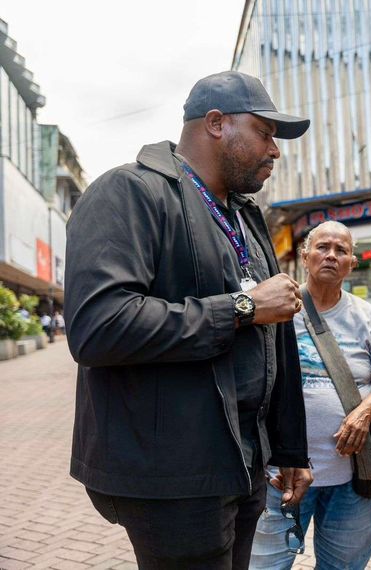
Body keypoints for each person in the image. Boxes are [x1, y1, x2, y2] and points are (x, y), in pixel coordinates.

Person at [65, 71, 314, 570]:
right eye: (265, 133)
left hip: (244, 463)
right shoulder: (128, 192)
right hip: (174, 474)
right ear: (216, 124)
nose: (275, 150)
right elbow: (99, 326)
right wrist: (242, 308)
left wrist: (289, 448)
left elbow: (276, 335)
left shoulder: (244, 216)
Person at [250, 221, 371, 570]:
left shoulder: (366, 316)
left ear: (352, 264)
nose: (331, 255)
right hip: (281, 475)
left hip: (352, 478)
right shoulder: (277, 309)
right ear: (305, 257)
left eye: (341, 250)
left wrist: (365, 412)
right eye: (322, 247)